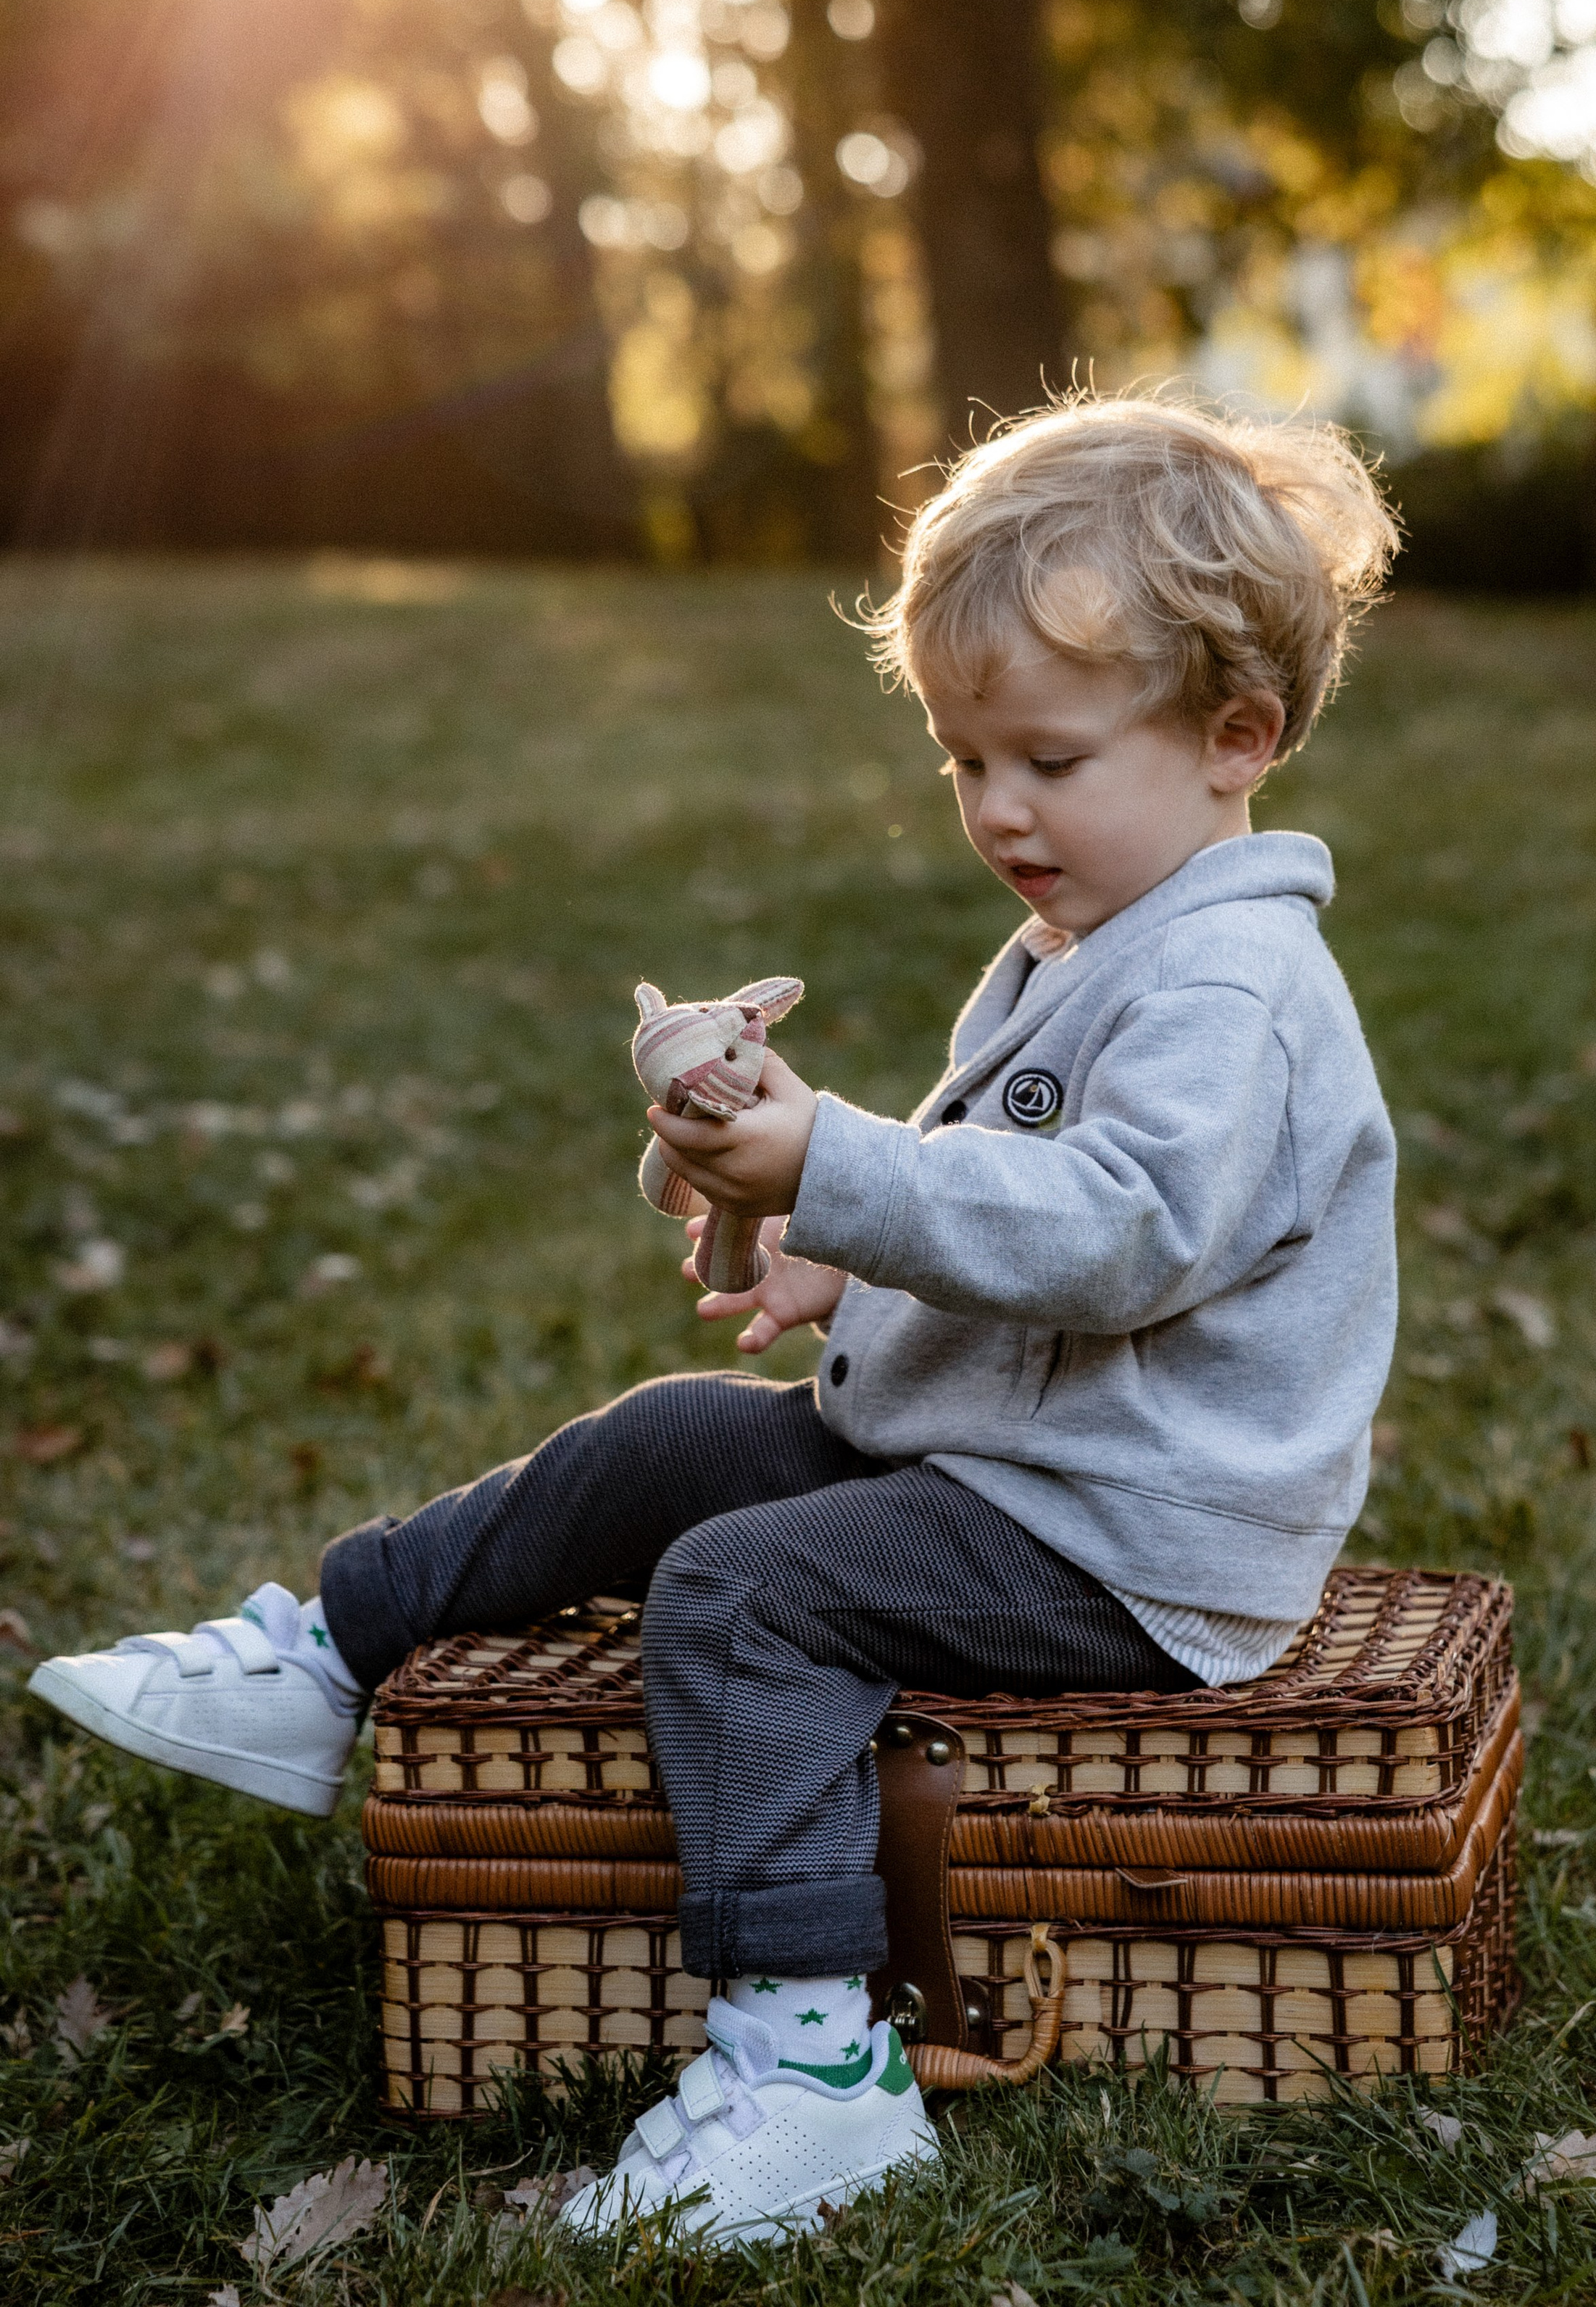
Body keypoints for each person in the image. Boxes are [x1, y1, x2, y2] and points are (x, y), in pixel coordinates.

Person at [31, 394, 1401, 2247]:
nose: (998, 809)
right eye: (960, 757)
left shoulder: (1228, 984)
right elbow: (1005, 1211)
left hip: (1132, 1537)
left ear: (1237, 739)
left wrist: (828, 1159)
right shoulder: (1111, 934)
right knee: (674, 1436)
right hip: (1021, 1458)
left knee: (745, 1589)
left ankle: (816, 2068)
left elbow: (1117, 1237)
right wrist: (826, 1238)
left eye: (1050, 760)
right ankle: (326, 1658)